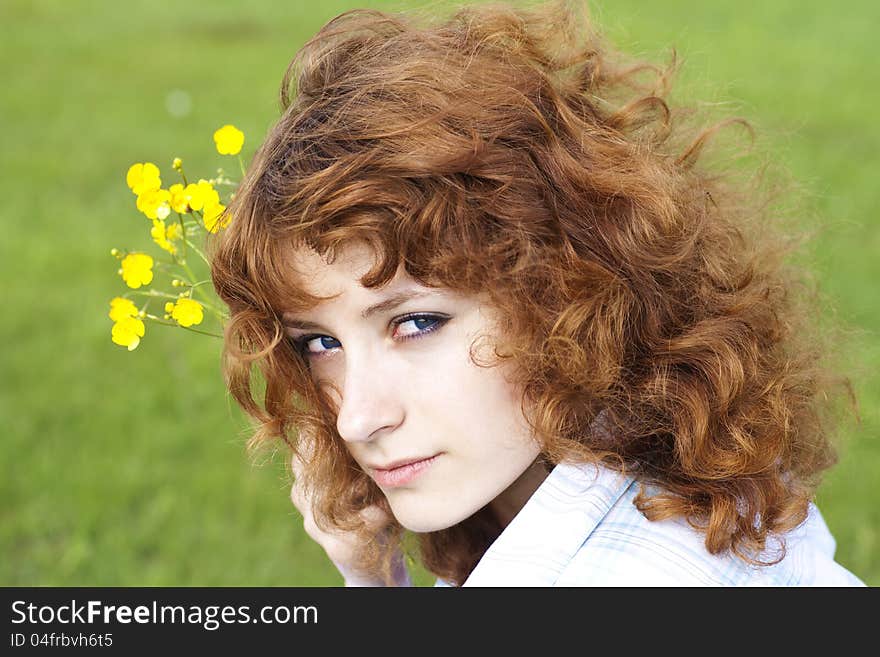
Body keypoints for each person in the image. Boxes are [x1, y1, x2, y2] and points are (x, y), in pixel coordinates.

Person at [209, 0, 865, 586]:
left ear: (565, 295)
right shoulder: (646, 483)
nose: (357, 417)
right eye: (320, 341)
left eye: (415, 323)